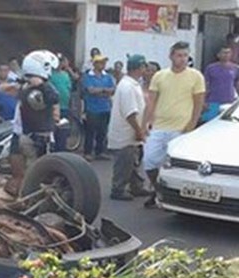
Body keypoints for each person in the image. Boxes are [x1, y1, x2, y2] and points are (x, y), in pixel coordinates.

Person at [141, 41, 205, 208]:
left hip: (181, 129)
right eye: (179, 55)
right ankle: (158, 190)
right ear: (171, 56)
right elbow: (151, 102)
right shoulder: (160, 76)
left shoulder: (196, 76)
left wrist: (192, 124)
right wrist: (143, 125)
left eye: (185, 55)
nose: (182, 59)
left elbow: (198, 103)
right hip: (159, 127)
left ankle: (177, 199)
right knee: (149, 162)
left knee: (177, 167)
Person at [5, 50, 60, 196]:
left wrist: (41, 84)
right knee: (18, 176)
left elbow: (54, 98)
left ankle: (33, 207)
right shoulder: (26, 87)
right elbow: (4, 89)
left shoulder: (45, 89)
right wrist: (24, 82)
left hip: (38, 138)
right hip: (20, 134)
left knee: (35, 179)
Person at [107, 55, 151, 201]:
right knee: (124, 162)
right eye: (144, 67)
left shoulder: (133, 84)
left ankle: (136, 186)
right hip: (126, 133)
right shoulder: (127, 87)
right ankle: (118, 189)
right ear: (139, 68)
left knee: (132, 161)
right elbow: (130, 113)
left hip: (131, 133)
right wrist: (139, 131)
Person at [82, 54, 116, 161]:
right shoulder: (88, 76)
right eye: (101, 62)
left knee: (103, 131)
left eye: (104, 62)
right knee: (90, 131)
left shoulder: (108, 76)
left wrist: (100, 90)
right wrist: (105, 90)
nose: (103, 64)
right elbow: (90, 90)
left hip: (105, 108)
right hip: (92, 108)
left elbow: (113, 90)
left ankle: (99, 151)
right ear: (95, 64)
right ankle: (87, 152)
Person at [50, 54, 79, 151]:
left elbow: (69, 88)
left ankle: (61, 150)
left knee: (64, 130)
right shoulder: (50, 75)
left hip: (65, 107)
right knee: (54, 131)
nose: (59, 63)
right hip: (53, 108)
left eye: (61, 61)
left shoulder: (66, 75)